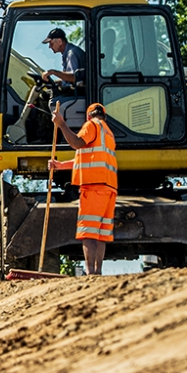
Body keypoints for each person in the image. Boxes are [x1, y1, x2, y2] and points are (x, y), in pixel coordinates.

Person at [51, 101, 118, 276]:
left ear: (88, 116)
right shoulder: (108, 133)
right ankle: (97, 272)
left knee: (88, 231)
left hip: (94, 187)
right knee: (101, 233)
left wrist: (61, 124)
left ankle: (90, 272)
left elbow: (76, 143)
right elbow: (85, 159)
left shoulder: (91, 125)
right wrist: (61, 165)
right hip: (108, 187)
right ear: (104, 115)